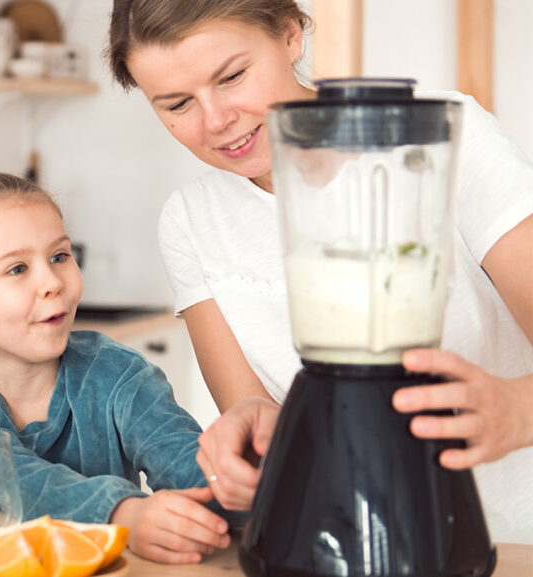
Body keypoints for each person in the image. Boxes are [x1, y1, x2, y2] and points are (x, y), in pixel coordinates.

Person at [107, 0, 533, 544]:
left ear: (289, 36)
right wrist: (247, 455)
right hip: (342, 546)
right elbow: (259, 420)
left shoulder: (441, 136)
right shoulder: (191, 221)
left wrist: (518, 410)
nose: (215, 121)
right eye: (176, 103)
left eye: (232, 76)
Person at [0, 172, 237, 563]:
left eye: (59, 257)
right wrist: (121, 514)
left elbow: (193, 469)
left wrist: (235, 488)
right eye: (17, 269)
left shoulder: (118, 373)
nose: (52, 282)